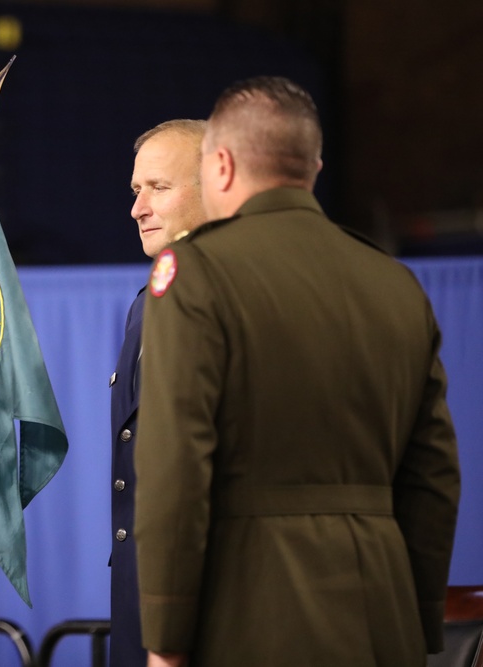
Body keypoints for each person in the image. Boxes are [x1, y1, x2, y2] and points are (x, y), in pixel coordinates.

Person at [134, 76, 461, 667]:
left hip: (250, 617)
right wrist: (417, 621)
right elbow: (434, 475)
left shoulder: (198, 275)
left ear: (222, 166)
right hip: (384, 622)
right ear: (312, 166)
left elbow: (175, 469)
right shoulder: (396, 283)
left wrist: (166, 636)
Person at [110, 119, 207, 667]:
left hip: (205, 613)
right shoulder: (146, 303)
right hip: (140, 599)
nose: (138, 208)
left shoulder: (237, 297)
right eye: (135, 191)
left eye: (159, 188)